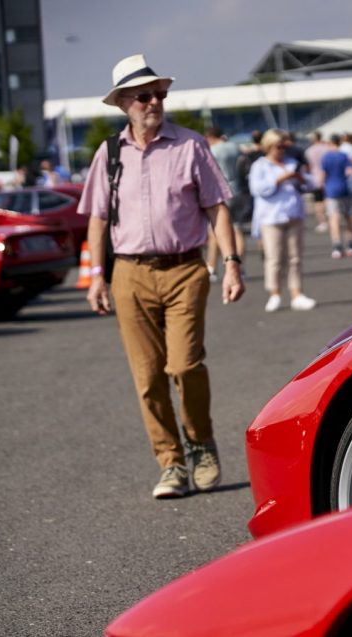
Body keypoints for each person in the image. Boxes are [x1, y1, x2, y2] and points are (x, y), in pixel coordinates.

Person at [78, 53, 244, 499]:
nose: (155, 102)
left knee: (185, 365)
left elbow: (216, 207)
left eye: (159, 94)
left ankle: (202, 444)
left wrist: (231, 263)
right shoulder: (109, 154)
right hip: (129, 275)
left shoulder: (190, 146)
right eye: (144, 96)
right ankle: (171, 463)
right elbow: (96, 218)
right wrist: (96, 276)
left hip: (185, 270)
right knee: (147, 376)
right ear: (124, 103)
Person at [249, 128, 316, 313]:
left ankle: (297, 293)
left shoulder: (292, 162)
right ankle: (274, 293)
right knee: (274, 258)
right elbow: (258, 190)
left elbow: (312, 184)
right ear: (269, 146)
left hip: (293, 214)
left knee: (295, 257)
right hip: (271, 217)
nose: (282, 150)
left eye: (284, 147)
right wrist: (280, 179)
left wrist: (299, 177)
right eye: (278, 146)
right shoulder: (259, 166)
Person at [204, 127, 245, 280]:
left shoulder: (212, 150)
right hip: (237, 189)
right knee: (237, 229)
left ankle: (212, 267)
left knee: (215, 229)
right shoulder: (235, 148)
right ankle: (240, 267)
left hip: (220, 191)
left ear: (210, 136)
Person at [320, 134, 352, 258]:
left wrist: (322, 187)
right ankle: (351, 244)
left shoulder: (326, 157)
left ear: (330, 143)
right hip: (344, 188)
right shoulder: (343, 156)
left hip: (331, 189)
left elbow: (323, 175)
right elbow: (350, 171)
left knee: (334, 217)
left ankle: (337, 245)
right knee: (348, 216)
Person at [304, 131, 332, 233]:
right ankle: (330, 219)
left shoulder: (309, 151)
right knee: (328, 200)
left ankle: (322, 222)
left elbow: (308, 166)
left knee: (318, 201)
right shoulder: (327, 149)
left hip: (315, 178)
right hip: (329, 177)